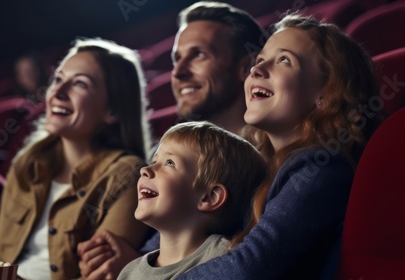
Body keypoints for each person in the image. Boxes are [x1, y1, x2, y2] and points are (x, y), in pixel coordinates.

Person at [178, 14, 383, 279]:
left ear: (324, 94)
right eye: (260, 60)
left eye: (284, 60)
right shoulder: (261, 165)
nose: (256, 70)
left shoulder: (322, 168)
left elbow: (250, 266)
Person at [77, 2, 267, 278]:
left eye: (198, 55)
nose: (178, 72)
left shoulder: (269, 162)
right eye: (177, 59)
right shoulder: (161, 154)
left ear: (246, 67)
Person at [0, 38, 152, 280]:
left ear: (113, 111)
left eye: (80, 84)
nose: (59, 93)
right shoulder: (27, 164)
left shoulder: (128, 176)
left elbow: (98, 275)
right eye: (58, 80)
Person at [117, 121, 266, 280]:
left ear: (210, 197)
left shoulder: (224, 259)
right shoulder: (129, 272)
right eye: (154, 162)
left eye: (169, 163)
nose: (145, 170)